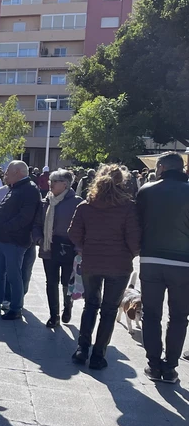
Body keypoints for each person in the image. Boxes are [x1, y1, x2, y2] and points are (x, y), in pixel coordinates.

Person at [68, 165, 141, 369]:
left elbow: (73, 233)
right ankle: (98, 355)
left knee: (91, 304)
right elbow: (134, 239)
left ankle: (82, 349)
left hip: (91, 260)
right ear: (122, 182)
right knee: (109, 310)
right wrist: (131, 253)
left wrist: (83, 247)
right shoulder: (128, 207)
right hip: (119, 264)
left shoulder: (86, 205)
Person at [136, 152, 189, 383]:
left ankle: (153, 364)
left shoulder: (147, 190)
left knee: (151, 314)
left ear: (160, 167)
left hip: (151, 260)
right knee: (179, 316)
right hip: (183, 263)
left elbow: (137, 224)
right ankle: (170, 367)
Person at [0, 161, 41, 321]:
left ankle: (16, 308)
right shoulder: (15, 188)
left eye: (8, 171)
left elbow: (25, 217)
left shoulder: (30, 189)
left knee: (13, 275)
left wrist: (4, 227)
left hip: (14, 241)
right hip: (3, 239)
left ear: (18, 172)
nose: (5, 174)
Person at [35, 169, 82, 329]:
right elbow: (37, 224)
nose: (51, 184)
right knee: (51, 282)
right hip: (48, 246)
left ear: (66, 184)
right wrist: (39, 239)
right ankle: (53, 315)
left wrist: (78, 247)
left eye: (55, 181)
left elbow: (82, 227)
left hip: (68, 246)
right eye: (50, 181)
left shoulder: (77, 202)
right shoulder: (45, 201)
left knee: (66, 282)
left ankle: (67, 306)